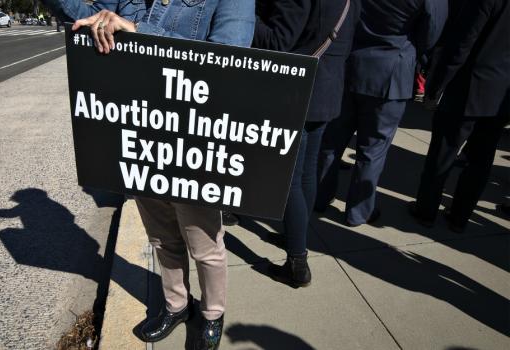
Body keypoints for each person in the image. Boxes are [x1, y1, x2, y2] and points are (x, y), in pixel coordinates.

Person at [47, 0, 255, 348]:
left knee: (204, 245)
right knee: (162, 238)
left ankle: (212, 314)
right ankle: (176, 306)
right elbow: (85, 13)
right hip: (142, 138)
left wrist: (140, 32)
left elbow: (228, 60)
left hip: (194, 145)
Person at [252, 0, 358, 287]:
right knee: (306, 172)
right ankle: (295, 235)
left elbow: (277, 40)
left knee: (289, 180)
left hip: (297, 93)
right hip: (326, 88)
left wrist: (246, 14)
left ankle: (297, 263)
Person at [315, 0, 448, 226]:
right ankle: (358, 212)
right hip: (391, 71)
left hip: (353, 63)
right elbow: (432, 33)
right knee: (373, 150)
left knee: (332, 141)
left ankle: (318, 197)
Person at [410, 0, 510, 233]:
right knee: (481, 160)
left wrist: (436, 87)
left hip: (469, 89)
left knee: (443, 153)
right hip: (500, 96)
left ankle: (426, 211)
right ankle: (459, 217)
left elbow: (462, 43)